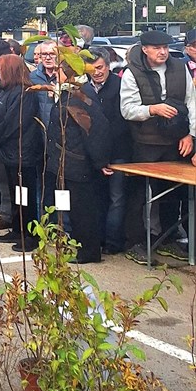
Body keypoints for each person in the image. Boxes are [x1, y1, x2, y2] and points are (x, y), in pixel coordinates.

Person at [120, 29, 196, 264]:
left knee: (174, 192)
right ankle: (134, 243)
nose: (163, 52)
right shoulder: (132, 72)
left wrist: (191, 135)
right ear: (145, 49)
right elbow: (127, 109)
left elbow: (191, 103)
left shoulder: (179, 67)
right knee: (139, 195)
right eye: (156, 48)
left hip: (176, 140)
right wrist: (152, 110)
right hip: (146, 142)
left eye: (165, 47)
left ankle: (168, 238)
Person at [46, 64, 113, 264]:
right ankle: (75, 244)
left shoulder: (80, 98)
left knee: (83, 211)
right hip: (64, 163)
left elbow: (95, 130)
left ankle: (89, 251)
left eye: (59, 70)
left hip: (77, 163)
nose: (54, 74)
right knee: (70, 208)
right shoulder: (68, 95)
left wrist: (100, 160)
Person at [0, 55, 43, 249]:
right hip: (7, 152)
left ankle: (30, 234)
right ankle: (17, 229)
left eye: (0, 68)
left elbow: (14, 122)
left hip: (21, 153)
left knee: (24, 193)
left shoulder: (24, 93)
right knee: (14, 192)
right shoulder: (5, 90)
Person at [81, 46, 130, 255]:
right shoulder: (83, 90)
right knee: (97, 198)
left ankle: (113, 242)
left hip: (118, 151)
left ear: (108, 66)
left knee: (117, 199)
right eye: (92, 69)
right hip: (94, 155)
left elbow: (121, 122)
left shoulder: (121, 86)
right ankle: (99, 238)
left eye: (100, 67)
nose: (97, 72)